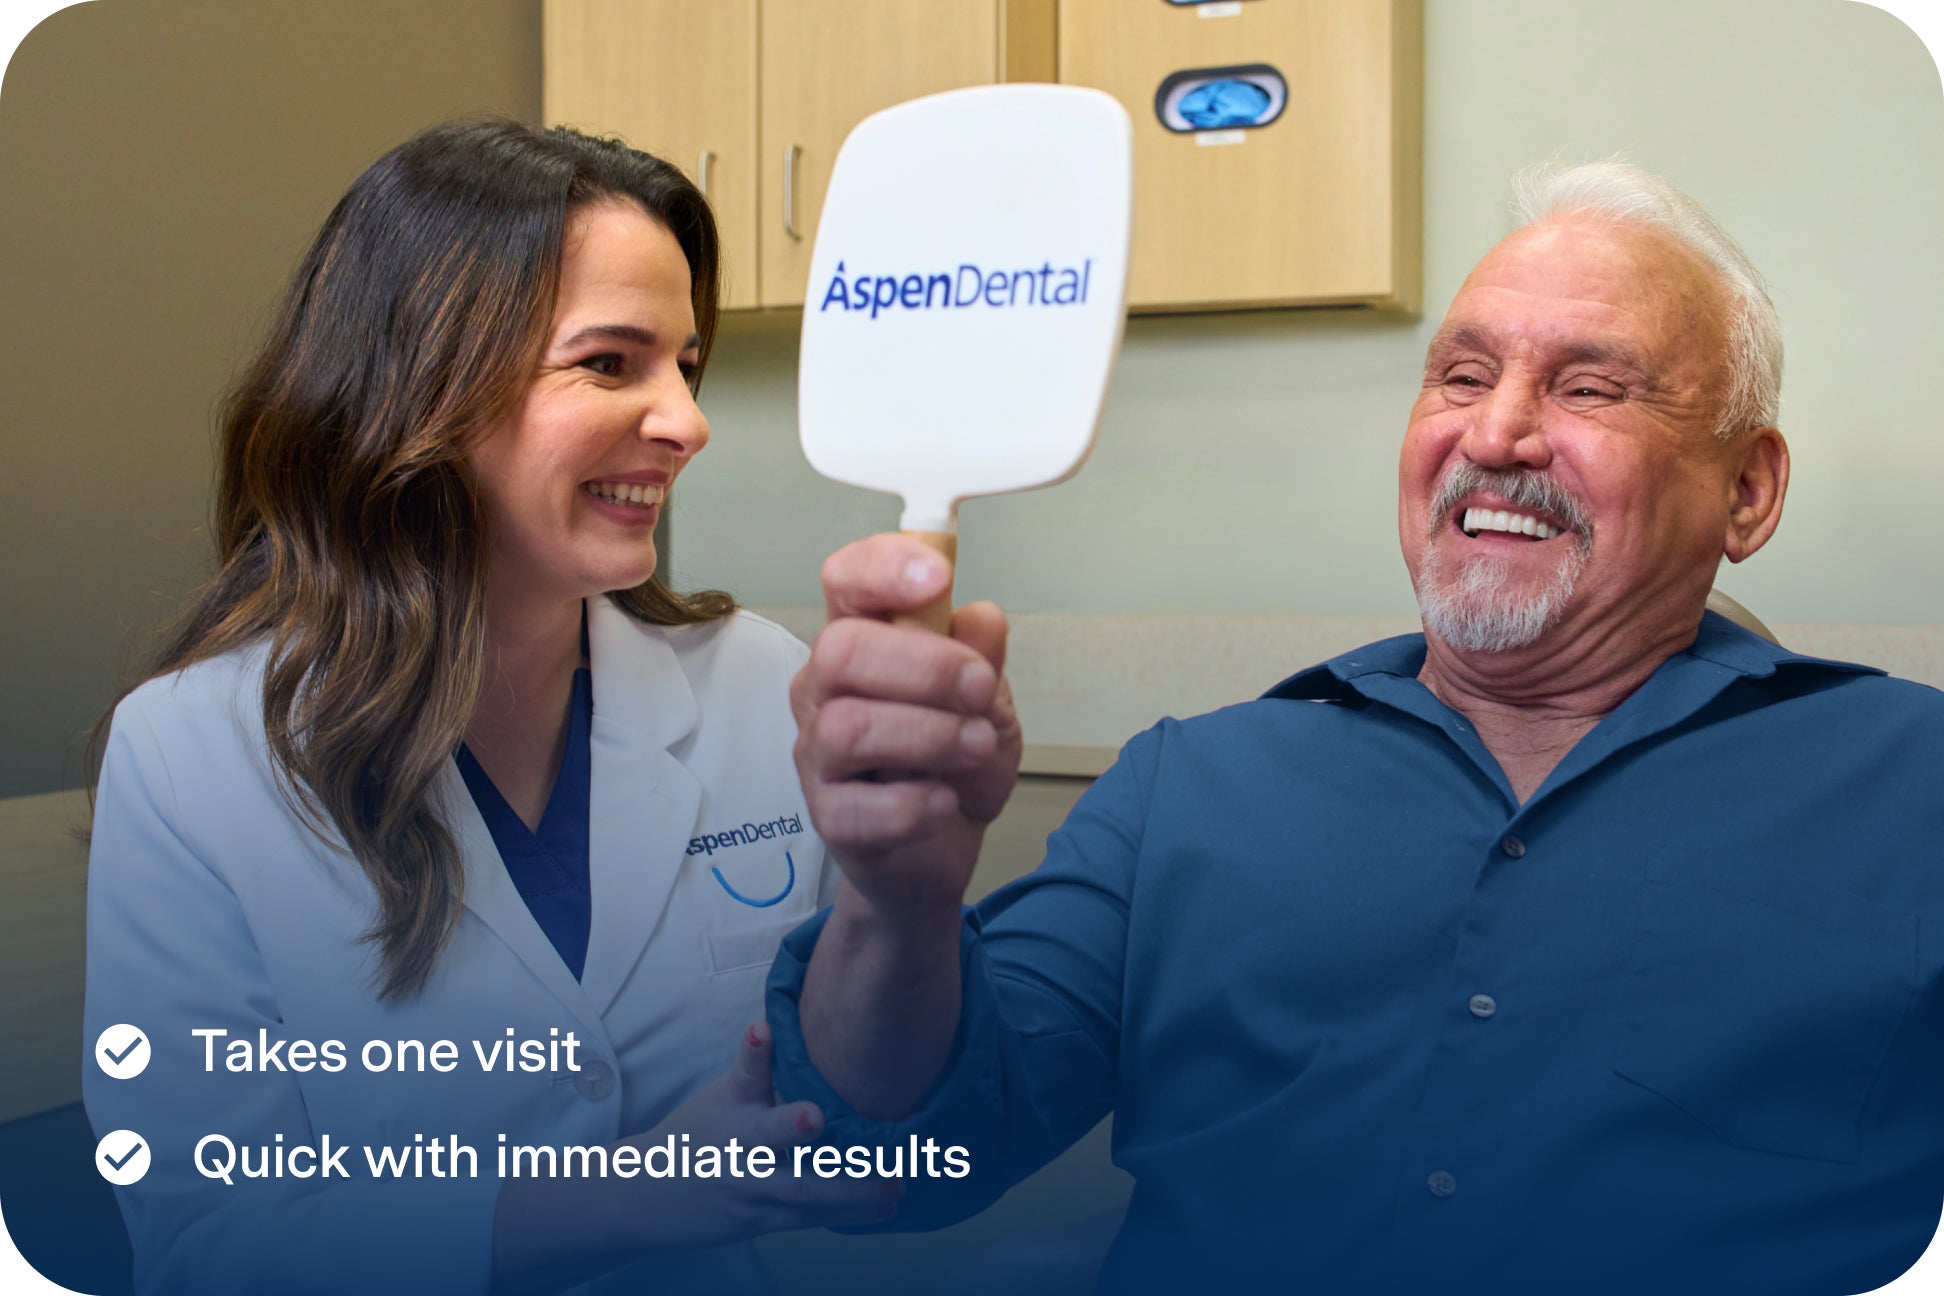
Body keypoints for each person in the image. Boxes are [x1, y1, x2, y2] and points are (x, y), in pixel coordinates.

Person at [769, 161, 1944, 1295]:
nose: (1496, 436)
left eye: (1591, 389)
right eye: (1462, 376)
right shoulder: (1189, 785)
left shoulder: (1911, 788)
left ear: (1748, 490)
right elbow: (883, 1157)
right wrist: (896, 907)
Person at [82, 118, 894, 1296]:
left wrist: (909, 889)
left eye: (686, 364)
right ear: (423, 385)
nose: (688, 420)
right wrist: (636, 1199)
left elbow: (882, 1100)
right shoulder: (192, 754)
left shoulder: (760, 684)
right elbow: (212, 1242)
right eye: (611, 363)